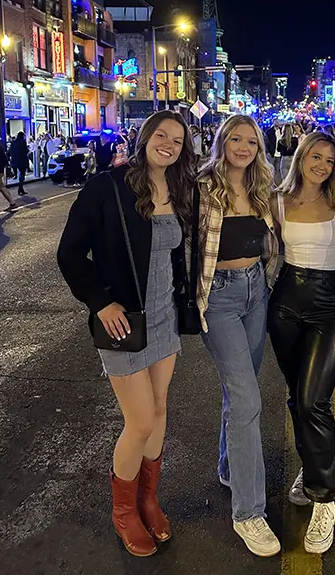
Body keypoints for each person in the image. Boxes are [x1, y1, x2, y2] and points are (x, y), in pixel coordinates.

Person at [57, 111, 195, 558]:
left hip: (164, 319)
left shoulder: (181, 190)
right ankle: (123, 512)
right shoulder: (107, 188)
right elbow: (70, 252)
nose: (168, 145)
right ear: (144, 138)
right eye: (161, 135)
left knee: (159, 409)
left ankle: (148, 499)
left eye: (177, 140)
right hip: (122, 321)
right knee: (139, 422)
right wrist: (100, 301)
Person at [196, 114, 281, 558]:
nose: (244, 147)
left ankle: (231, 464)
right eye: (236, 138)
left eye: (251, 140)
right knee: (248, 399)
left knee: (240, 391)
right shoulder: (201, 185)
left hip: (256, 292)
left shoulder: (264, 185)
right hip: (220, 298)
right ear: (222, 141)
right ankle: (248, 512)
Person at [269, 132, 335, 554]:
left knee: (314, 399)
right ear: (301, 157)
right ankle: (313, 466)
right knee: (298, 399)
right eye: (315, 156)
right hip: (285, 305)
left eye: (330, 160)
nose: (322, 164)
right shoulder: (278, 201)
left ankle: (325, 499)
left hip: (329, 306)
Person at [10, 131, 29, 196]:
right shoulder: (23, 142)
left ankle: (21, 188)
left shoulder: (13, 142)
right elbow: (26, 150)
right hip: (22, 161)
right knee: (22, 174)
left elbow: (10, 151)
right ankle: (20, 188)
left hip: (15, 161)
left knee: (20, 174)